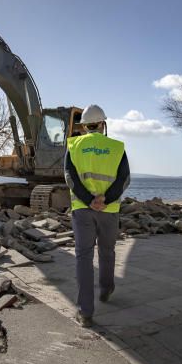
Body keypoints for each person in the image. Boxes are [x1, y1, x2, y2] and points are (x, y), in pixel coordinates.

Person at [64, 104, 130, 327]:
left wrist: (88, 200)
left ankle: (85, 312)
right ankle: (106, 289)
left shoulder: (73, 146)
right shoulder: (117, 147)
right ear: (103, 124)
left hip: (82, 210)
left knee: (83, 257)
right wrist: (106, 199)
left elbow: (70, 178)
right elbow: (124, 179)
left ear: (83, 126)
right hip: (109, 211)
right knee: (107, 251)